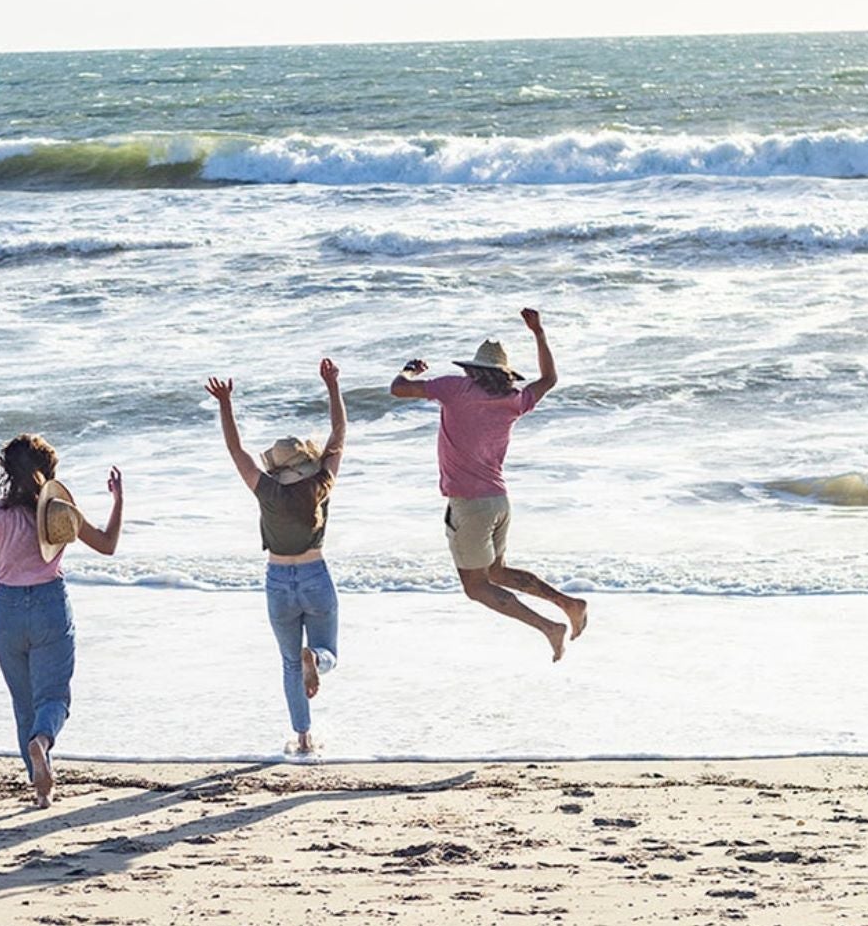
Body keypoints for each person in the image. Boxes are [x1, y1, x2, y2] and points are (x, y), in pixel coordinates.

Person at [0, 434, 123, 808]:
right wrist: (118, 500)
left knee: (23, 702)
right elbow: (108, 544)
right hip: (49, 604)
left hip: (8, 609)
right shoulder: (61, 512)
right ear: (47, 473)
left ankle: (40, 788)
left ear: (8, 473)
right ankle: (43, 743)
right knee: (54, 696)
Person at [391, 308, 588, 661]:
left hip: (469, 506)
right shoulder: (514, 400)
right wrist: (539, 333)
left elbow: (398, 389)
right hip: (499, 501)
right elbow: (549, 378)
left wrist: (410, 368)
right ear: (504, 373)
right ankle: (568, 603)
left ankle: (550, 627)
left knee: (476, 587)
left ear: (473, 370)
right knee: (497, 571)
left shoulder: (454, 389)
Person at [205, 358, 347, 756]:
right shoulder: (322, 484)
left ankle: (303, 738)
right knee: (329, 653)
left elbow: (235, 449)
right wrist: (332, 385)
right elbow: (339, 432)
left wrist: (225, 403)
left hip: (278, 582)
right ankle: (315, 660)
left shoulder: (265, 490)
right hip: (316, 575)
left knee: (288, 664)